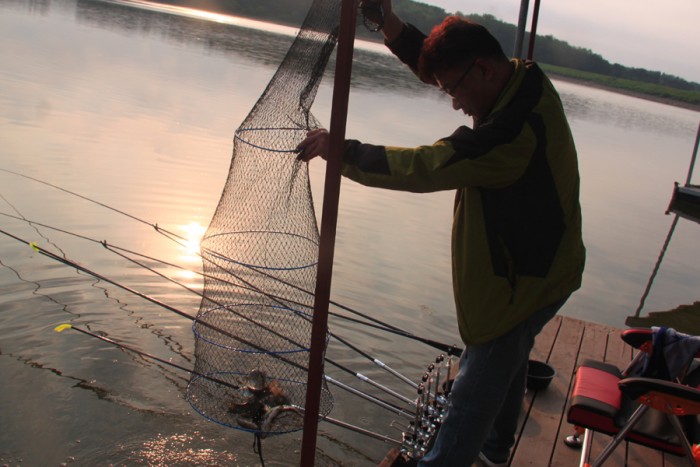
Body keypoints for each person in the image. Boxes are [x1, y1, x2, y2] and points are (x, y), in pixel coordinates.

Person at [297, 1, 585, 465]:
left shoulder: (511, 134)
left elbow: (425, 166)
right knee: (508, 358)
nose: (452, 102)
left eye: (453, 90)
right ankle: (496, 451)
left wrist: (342, 151)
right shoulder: (519, 78)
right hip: (546, 265)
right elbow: (443, 68)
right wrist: (389, 24)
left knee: (476, 386)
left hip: (524, 279)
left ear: (484, 70)